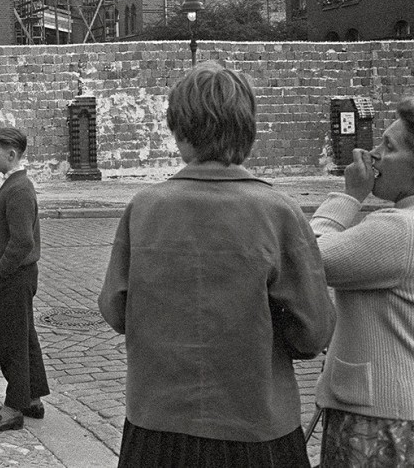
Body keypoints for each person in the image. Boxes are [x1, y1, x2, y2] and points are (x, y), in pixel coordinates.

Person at [98, 61, 335, 467]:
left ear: (180, 131)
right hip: (255, 426)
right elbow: (313, 331)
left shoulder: (144, 208)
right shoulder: (279, 213)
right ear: (247, 130)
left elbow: (116, 309)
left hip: (157, 423)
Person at [310, 98, 414, 467]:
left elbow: (307, 257)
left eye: (389, 147)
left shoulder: (398, 230)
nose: (373, 154)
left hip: (378, 418)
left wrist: (348, 195)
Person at [0, 127, 50, 432]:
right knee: (24, 335)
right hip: (19, 273)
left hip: (14, 274)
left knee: (10, 341)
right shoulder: (17, 184)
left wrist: (2, 272)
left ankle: (13, 408)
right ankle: (31, 397)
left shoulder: (18, 189)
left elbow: (23, 241)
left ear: (11, 154)